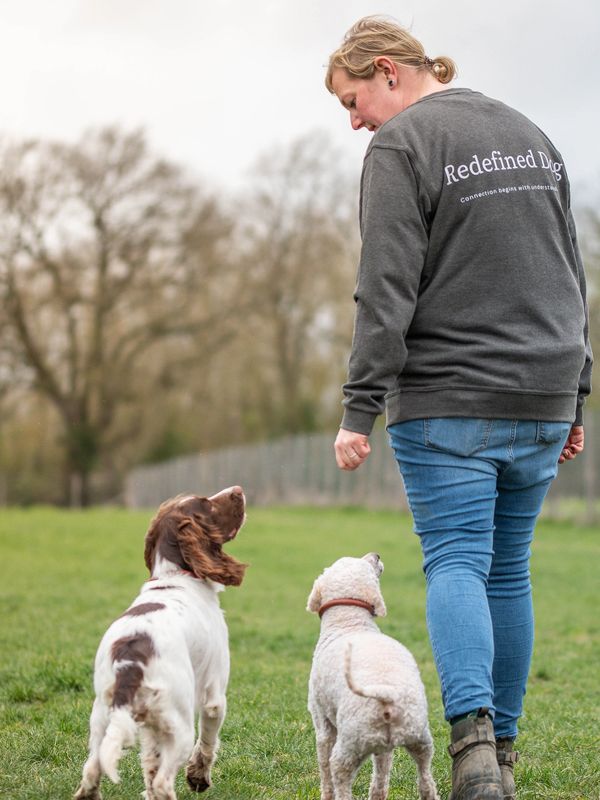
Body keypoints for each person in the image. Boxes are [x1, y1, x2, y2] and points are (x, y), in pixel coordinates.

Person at [327, 15, 592, 800]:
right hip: (543, 390)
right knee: (508, 571)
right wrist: (574, 392)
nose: (353, 121)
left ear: (386, 71)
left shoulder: (401, 146)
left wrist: (358, 408)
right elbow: (571, 274)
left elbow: (385, 287)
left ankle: (473, 751)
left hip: (448, 396)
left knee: (456, 562)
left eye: (351, 100)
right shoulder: (531, 134)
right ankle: (498, 761)